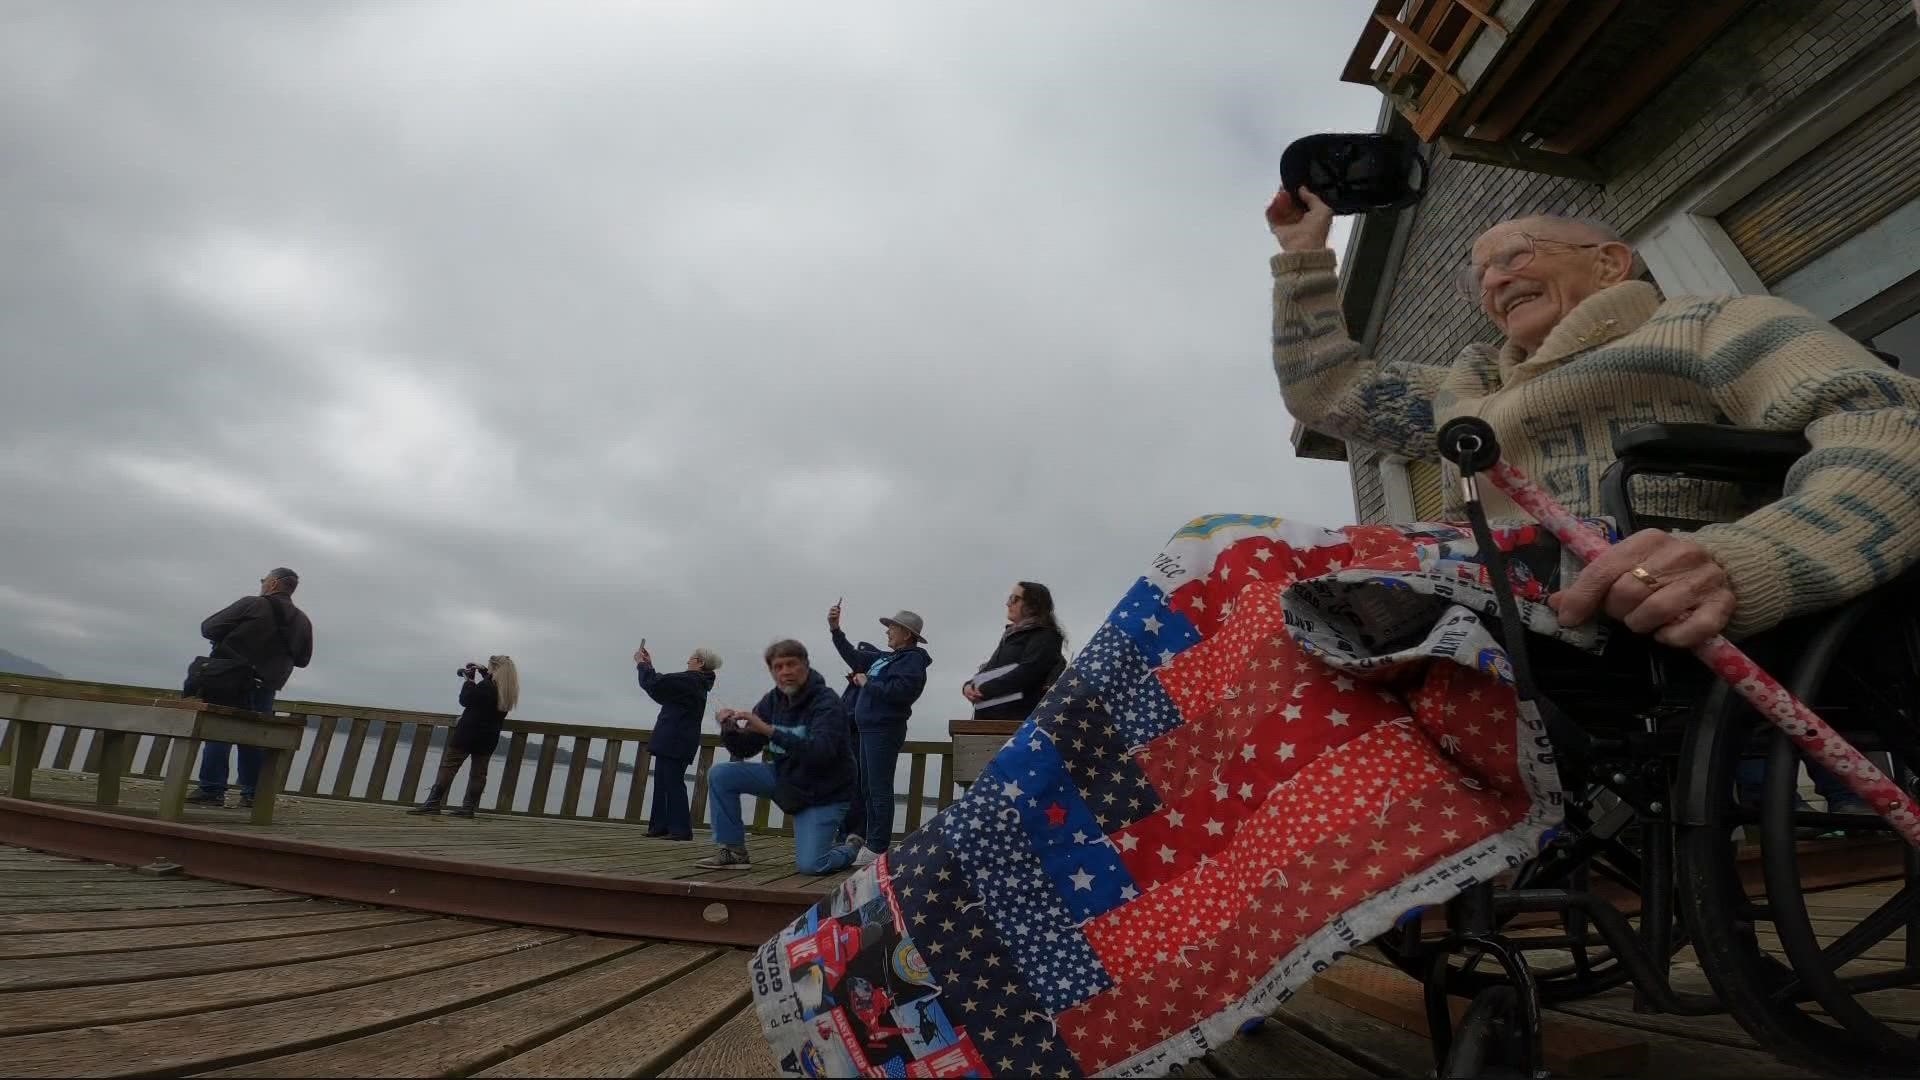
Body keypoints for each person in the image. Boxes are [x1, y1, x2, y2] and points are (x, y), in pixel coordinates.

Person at [1266, 187, 1920, 812]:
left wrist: (1751, 555)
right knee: (1265, 577)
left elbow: (1888, 423)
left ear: (1609, 263)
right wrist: (1302, 255)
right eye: (1478, 277)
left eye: (1514, 255)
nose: (1492, 282)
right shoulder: (1472, 394)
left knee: (1262, 567)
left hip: (1647, 588)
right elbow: (1328, 391)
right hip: (1513, 609)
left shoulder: (1709, 323)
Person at [696, 639, 857, 873]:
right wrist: (728, 726)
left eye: (791, 664)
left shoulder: (827, 702)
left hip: (825, 792)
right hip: (785, 778)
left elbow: (822, 752)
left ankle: (850, 848)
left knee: (812, 865)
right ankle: (733, 852)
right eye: (778, 667)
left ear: (806, 665)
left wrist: (769, 731)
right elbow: (745, 749)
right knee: (721, 774)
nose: (785, 672)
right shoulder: (772, 701)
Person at [186, 568, 315, 809]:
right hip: (266, 685)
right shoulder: (302, 620)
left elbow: (208, 628)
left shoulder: (251, 604)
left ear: (273, 583)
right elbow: (303, 659)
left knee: (219, 733)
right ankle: (253, 794)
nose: (262, 584)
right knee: (254, 737)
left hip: (229, 679)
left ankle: (211, 790)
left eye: (264, 580)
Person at [827, 602, 931, 866]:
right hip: (867, 729)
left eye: (892, 628)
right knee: (867, 788)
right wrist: (835, 629)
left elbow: (901, 693)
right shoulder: (885, 658)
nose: (887, 632)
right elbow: (852, 656)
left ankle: (877, 846)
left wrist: (868, 682)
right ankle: (870, 841)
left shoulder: (913, 661)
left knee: (879, 788)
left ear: (907, 634)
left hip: (884, 730)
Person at [407, 655, 519, 817]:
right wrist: (483, 671)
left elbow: (466, 700)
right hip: (489, 736)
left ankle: (432, 803)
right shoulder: (506, 691)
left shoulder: (486, 686)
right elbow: (486, 697)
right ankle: (468, 808)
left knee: (449, 766)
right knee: (479, 773)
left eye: (490, 667)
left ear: (495, 669)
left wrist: (468, 680)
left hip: (468, 733)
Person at [635, 643, 721, 841]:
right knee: (663, 782)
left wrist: (642, 664)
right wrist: (649, 665)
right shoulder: (695, 682)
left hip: (676, 738)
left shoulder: (691, 680)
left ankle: (681, 829)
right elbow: (659, 689)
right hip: (676, 737)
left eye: (691, 658)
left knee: (672, 782)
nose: (687, 661)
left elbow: (656, 683)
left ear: (700, 663)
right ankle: (660, 826)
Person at [962, 581, 1067, 723]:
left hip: (1018, 725)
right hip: (991, 720)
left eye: (1014, 599)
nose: (1008, 604)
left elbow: (1027, 673)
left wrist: (982, 689)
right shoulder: (1010, 635)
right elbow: (990, 669)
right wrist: (968, 686)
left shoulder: (1046, 636)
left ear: (1033, 605)